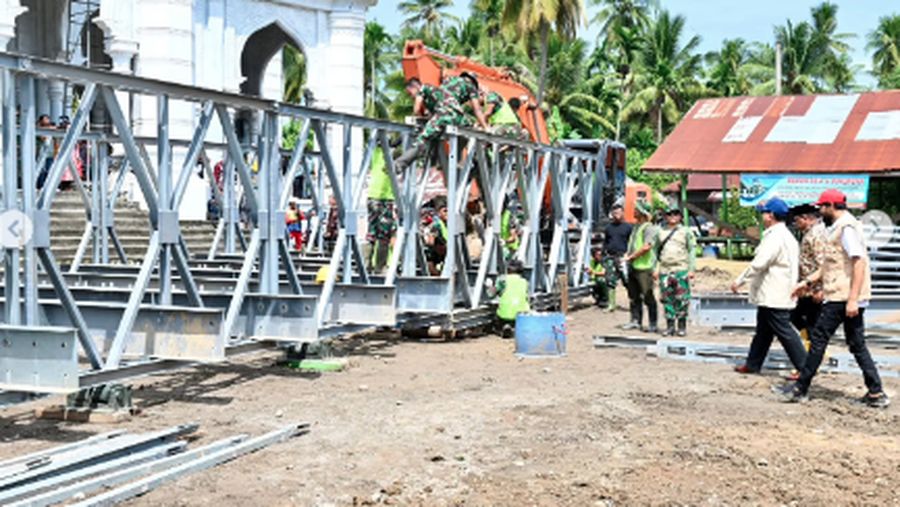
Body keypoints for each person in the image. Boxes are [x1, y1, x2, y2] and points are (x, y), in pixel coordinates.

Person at [777, 190, 889, 408]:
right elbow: (830, 265)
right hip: (844, 295)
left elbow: (859, 263)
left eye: (822, 207)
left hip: (843, 296)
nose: (820, 211)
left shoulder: (846, 228)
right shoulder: (838, 228)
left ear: (830, 205)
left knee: (818, 338)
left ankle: (801, 388)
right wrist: (806, 282)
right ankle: (876, 391)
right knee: (856, 344)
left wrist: (853, 300)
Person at [730, 198, 807, 374]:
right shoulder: (786, 235)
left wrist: (740, 280)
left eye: (764, 213)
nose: (762, 216)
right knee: (763, 332)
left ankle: (804, 368)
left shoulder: (775, 237)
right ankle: (753, 364)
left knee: (785, 332)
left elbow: (759, 263)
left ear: (770, 215)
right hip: (774, 292)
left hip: (775, 293)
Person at [790, 203, 827, 348]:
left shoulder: (816, 235)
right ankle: (809, 349)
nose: (795, 224)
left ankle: (812, 355)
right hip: (807, 287)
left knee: (812, 323)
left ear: (805, 218)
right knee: (796, 317)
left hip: (814, 288)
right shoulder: (810, 234)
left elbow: (823, 265)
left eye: (796, 220)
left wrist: (821, 288)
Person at [655, 206, 696, 336]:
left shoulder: (686, 232)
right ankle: (670, 326)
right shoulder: (660, 232)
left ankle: (682, 326)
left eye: (675, 214)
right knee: (667, 299)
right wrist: (655, 269)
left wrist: (691, 269)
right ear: (665, 217)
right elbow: (655, 252)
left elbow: (692, 251)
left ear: (680, 217)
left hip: (681, 269)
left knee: (682, 298)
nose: (672, 216)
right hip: (665, 270)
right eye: (669, 214)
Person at [622, 202, 658, 332]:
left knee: (648, 296)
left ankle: (653, 323)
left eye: (636, 210)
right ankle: (635, 320)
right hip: (633, 266)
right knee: (634, 296)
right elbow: (633, 244)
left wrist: (631, 257)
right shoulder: (636, 227)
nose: (634, 211)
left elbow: (646, 247)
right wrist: (628, 255)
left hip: (644, 267)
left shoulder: (649, 228)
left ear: (643, 212)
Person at [366, 146, 397, 274]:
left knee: (372, 232)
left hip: (372, 196)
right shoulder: (392, 153)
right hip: (385, 198)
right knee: (384, 235)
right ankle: (380, 267)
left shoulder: (376, 151)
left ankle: (365, 265)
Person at [601, 204, 632, 313]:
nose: (616, 215)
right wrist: (603, 255)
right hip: (610, 257)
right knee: (610, 281)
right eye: (614, 213)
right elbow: (605, 242)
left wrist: (629, 256)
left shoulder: (628, 227)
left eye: (618, 213)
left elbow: (631, 243)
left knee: (627, 281)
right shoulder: (609, 228)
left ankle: (633, 303)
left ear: (623, 213)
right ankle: (611, 304)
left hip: (623, 257)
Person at [495, 259, 531, 338]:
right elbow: (527, 297)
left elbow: (493, 293)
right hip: (521, 314)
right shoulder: (524, 282)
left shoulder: (502, 280)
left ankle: (504, 326)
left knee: (499, 310)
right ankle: (515, 327)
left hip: (504, 314)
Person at [424, 198, 449, 275]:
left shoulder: (448, 224)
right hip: (434, 255)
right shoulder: (435, 226)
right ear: (438, 213)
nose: (447, 213)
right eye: (445, 211)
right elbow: (430, 243)